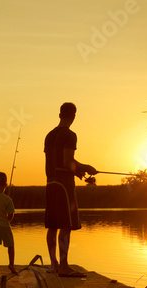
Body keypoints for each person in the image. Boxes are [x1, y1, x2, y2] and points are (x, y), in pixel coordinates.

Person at [44, 102, 97, 277]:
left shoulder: (49, 135)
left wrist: (79, 172)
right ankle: (64, 266)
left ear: (60, 114)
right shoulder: (69, 135)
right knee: (65, 226)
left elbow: (58, 164)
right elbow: (68, 162)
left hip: (50, 183)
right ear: (74, 116)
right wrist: (86, 166)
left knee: (52, 226)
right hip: (63, 187)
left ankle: (54, 265)